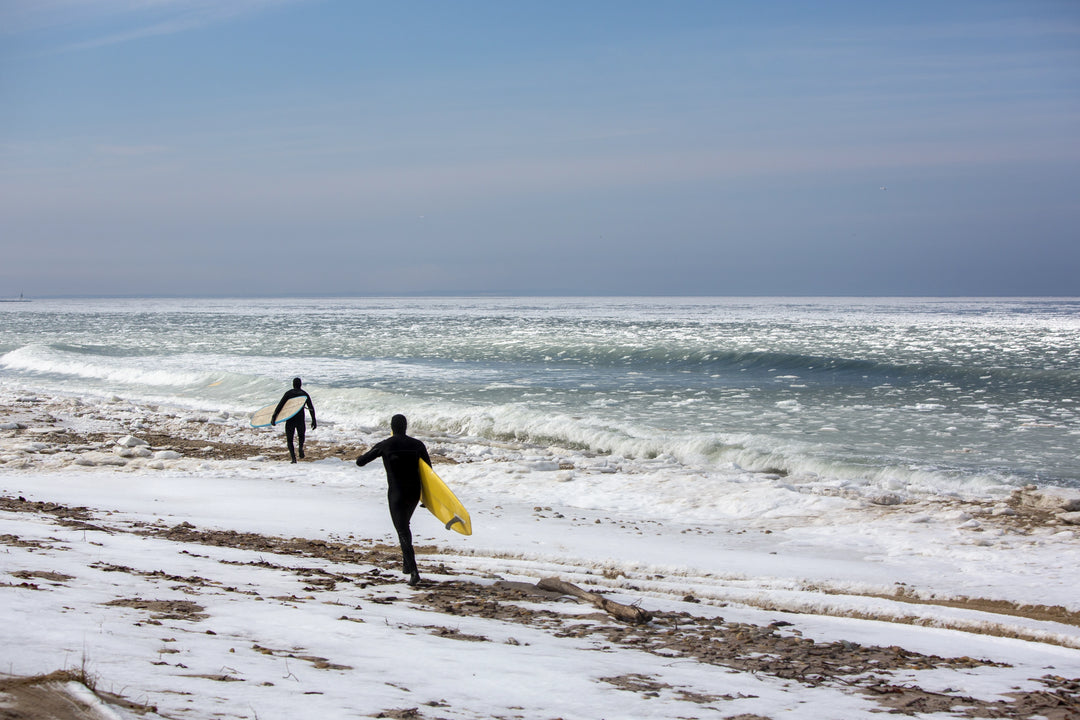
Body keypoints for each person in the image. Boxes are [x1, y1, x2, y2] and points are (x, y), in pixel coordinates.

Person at [355, 414, 430, 586]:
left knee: (402, 530)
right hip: (413, 493)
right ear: (405, 427)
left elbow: (361, 462)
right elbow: (429, 474)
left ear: (391, 427)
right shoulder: (418, 445)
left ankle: (414, 571)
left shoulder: (385, 445)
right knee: (404, 526)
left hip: (396, 493)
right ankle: (406, 565)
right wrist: (426, 499)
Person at [272, 377, 316, 463]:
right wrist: (313, 419)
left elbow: (280, 406)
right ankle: (300, 447)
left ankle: (293, 458)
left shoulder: (289, 393)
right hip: (300, 419)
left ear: (293, 384)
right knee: (301, 436)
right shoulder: (304, 394)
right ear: (301, 384)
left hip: (290, 419)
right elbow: (311, 408)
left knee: (289, 439)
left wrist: (274, 417)